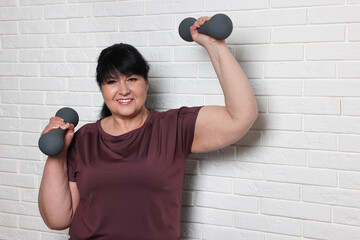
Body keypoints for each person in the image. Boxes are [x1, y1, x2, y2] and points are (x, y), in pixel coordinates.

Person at [38, 16, 258, 240]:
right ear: (102, 89)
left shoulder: (174, 128)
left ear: (147, 81)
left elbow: (240, 117)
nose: (123, 90)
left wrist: (214, 46)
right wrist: (58, 155)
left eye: (132, 79)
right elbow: (57, 220)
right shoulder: (83, 138)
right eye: (112, 82)